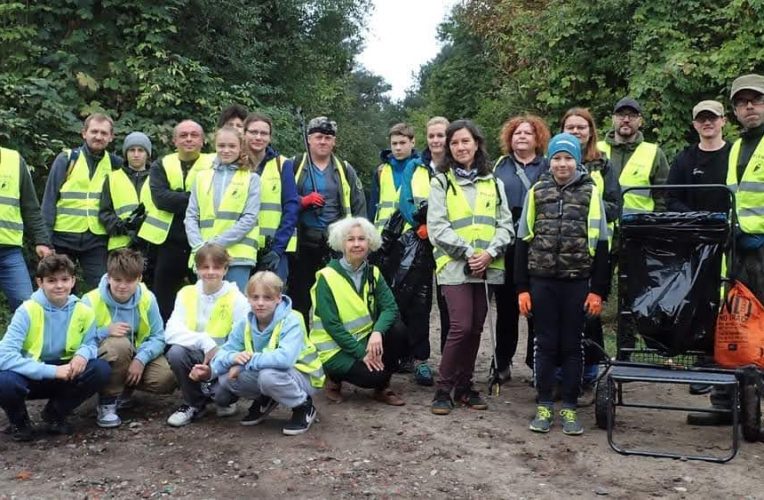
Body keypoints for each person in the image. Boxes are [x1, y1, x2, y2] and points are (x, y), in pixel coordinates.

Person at [515, 133, 610, 435]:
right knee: (544, 345)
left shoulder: (591, 193)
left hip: (577, 281)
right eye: (557, 158)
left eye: (568, 158)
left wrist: (598, 290)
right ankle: (544, 403)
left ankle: (569, 406)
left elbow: (603, 244)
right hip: (541, 282)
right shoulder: (537, 190)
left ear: (577, 161)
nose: (562, 164)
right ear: (550, 160)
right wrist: (521, 288)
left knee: (571, 346)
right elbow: (522, 240)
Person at [428, 119, 513, 415]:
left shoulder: (495, 183)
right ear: (449, 148)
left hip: (487, 266)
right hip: (455, 266)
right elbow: (437, 227)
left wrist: (489, 253)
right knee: (461, 326)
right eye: (455, 143)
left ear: (477, 143)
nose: (460, 147)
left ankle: (465, 387)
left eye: (465, 141)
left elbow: (506, 226)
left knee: (476, 327)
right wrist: (468, 253)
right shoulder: (441, 182)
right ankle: (443, 388)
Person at [0, 255, 110, 441]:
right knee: (4, 381)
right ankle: (20, 422)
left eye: (65, 279)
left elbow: (90, 342)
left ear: (73, 281)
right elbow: (4, 356)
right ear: (40, 282)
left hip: (66, 372)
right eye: (51, 280)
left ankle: (55, 414)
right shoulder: (27, 310)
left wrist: (82, 355)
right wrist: (51, 370)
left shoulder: (83, 310)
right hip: (31, 374)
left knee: (100, 369)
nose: (59, 286)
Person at [200, 271, 324, 435]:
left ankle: (303, 406)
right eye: (255, 297)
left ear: (279, 298)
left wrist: (243, 363)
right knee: (227, 378)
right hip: (273, 372)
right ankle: (266, 398)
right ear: (248, 298)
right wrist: (224, 363)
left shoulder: (293, 319)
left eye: (267, 298)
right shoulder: (245, 322)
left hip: (305, 377)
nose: (260, 303)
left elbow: (285, 359)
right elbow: (225, 353)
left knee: (268, 376)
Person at [309, 217, 406, 406]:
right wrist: (363, 354)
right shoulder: (326, 278)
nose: (356, 244)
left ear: (369, 242)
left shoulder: (373, 273)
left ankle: (382, 387)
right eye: (350, 239)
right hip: (334, 348)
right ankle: (334, 378)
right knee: (372, 376)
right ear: (341, 243)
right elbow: (332, 326)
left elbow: (390, 308)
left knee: (399, 330)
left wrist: (377, 332)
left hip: (364, 339)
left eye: (361, 239)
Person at [561, 107, 620, 402]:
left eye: (581, 127)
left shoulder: (603, 165)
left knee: (590, 314)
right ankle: (562, 373)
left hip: (593, 248)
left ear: (590, 131)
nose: (576, 132)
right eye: (570, 127)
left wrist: (584, 209)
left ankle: (591, 372)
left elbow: (614, 204)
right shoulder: (555, 162)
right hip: (561, 254)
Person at [369, 123, 435, 386]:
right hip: (386, 243)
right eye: (394, 143)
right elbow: (374, 204)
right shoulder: (381, 171)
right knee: (388, 302)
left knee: (419, 303)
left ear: (412, 142)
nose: (397, 148)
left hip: (416, 240)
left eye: (402, 142)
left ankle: (420, 359)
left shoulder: (423, 168)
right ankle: (393, 355)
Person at [287, 116, 367, 326]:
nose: (323, 142)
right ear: (309, 139)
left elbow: (358, 206)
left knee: (336, 297)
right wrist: (303, 201)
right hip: (302, 244)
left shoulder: (344, 169)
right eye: (319, 137)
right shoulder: (294, 165)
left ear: (334, 142)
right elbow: (280, 199)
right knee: (300, 299)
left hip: (335, 244)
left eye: (328, 138)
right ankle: (300, 345)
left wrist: (359, 241)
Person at [83, 249, 174, 428]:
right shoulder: (90, 300)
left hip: (138, 353)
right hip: (101, 358)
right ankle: (107, 401)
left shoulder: (148, 298)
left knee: (166, 377)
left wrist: (141, 359)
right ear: (108, 277)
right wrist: (104, 331)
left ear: (139, 278)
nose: (123, 286)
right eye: (117, 280)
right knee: (119, 345)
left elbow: (158, 337)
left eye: (130, 281)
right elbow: (77, 340)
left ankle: (125, 393)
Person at [165, 243, 250, 427]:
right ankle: (193, 404)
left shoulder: (237, 299)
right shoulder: (186, 293)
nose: (210, 272)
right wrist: (204, 341)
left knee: (221, 397)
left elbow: (243, 342)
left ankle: (222, 399)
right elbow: (171, 331)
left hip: (226, 361)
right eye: (205, 267)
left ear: (226, 269)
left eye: (217, 267)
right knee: (176, 352)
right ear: (196, 269)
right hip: (198, 355)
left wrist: (214, 367)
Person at [138, 120, 215, 322]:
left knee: (205, 297)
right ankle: (162, 344)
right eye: (183, 135)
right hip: (168, 242)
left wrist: (177, 197)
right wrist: (195, 198)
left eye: (194, 135)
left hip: (201, 241)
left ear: (203, 140)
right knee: (163, 299)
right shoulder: (161, 164)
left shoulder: (214, 163)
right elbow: (161, 200)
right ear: (174, 141)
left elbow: (215, 197)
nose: (188, 139)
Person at [492, 114, 550, 380]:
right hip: (507, 246)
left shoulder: (547, 166)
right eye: (517, 133)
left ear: (537, 137)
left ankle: (536, 362)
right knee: (506, 309)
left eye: (527, 132)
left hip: (538, 245)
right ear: (509, 138)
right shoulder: (500, 167)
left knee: (536, 309)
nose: (522, 137)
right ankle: (502, 362)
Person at [42, 113, 122, 289]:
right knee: (59, 290)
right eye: (94, 131)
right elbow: (49, 201)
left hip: (97, 239)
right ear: (84, 133)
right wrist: (44, 240)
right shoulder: (67, 159)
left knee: (102, 290)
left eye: (103, 133)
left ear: (111, 137)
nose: (98, 136)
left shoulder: (116, 165)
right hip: (62, 237)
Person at [185, 126, 260, 293]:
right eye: (221, 146)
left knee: (234, 308)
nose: (226, 150)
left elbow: (249, 218)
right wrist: (198, 245)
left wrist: (216, 244)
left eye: (232, 146)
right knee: (207, 307)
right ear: (215, 147)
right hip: (205, 255)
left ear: (241, 147)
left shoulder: (251, 179)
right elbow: (190, 215)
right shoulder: (201, 177)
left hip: (238, 256)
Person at [243, 113, 298, 282]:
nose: (258, 137)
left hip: (273, 250)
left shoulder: (282, 164)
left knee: (271, 302)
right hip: (240, 248)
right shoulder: (233, 163)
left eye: (264, 133)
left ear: (270, 137)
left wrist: (277, 249)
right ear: (244, 133)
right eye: (253, 132)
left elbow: (291, 208)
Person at [0, 145, 53, 312]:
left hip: (9, 252)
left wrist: (42, 241)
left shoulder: (14, 160)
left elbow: (30, 207)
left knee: (28, 308)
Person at [598, 97, 670, 213]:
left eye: (632, 115)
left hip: (640, 227)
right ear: (613, 119)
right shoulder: (596, 150)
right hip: (603, 227)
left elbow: (663, 198)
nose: (626, 120)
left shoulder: (654, 153)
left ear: (640, 121)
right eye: (621, 115)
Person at [421, 117, 454, 355]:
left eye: (440, 135)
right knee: (420, 302)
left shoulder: (459, 166)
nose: (435, 140)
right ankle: (418, 357)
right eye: (431, 136)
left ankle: (449, 356)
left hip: (449, 243)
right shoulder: (417, 166)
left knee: (448, 304)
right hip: (421, 241)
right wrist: (418, 224)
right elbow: (405, 199)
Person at [667, 100, 731, 213]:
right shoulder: (683, 159)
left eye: (712, 117)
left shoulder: (736, 154)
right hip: (692, 227)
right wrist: (696, 218)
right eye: (701, 119)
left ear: (723, 121)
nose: (707, 122)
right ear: (694, 124)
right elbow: (671, 198)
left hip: (730, 227)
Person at [99, 132, 152, 258]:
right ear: (125, 153)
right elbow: (104, 213)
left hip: (151, 244)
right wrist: (125, 226)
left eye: (141, 150)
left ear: (148, 154)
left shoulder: (157, 177)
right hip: (120, 246)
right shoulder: (112, 178)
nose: (136, 154)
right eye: (131, 150)